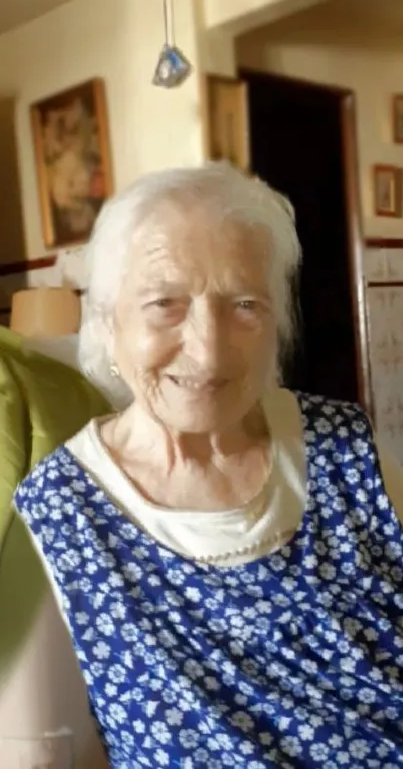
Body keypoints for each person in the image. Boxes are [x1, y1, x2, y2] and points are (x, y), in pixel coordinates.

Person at [15, 163, 403, 769]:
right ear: (108, 320)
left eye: (244, 304)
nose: (209, 347)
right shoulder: (58, 511)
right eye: (165, 303)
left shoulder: (345, 444)